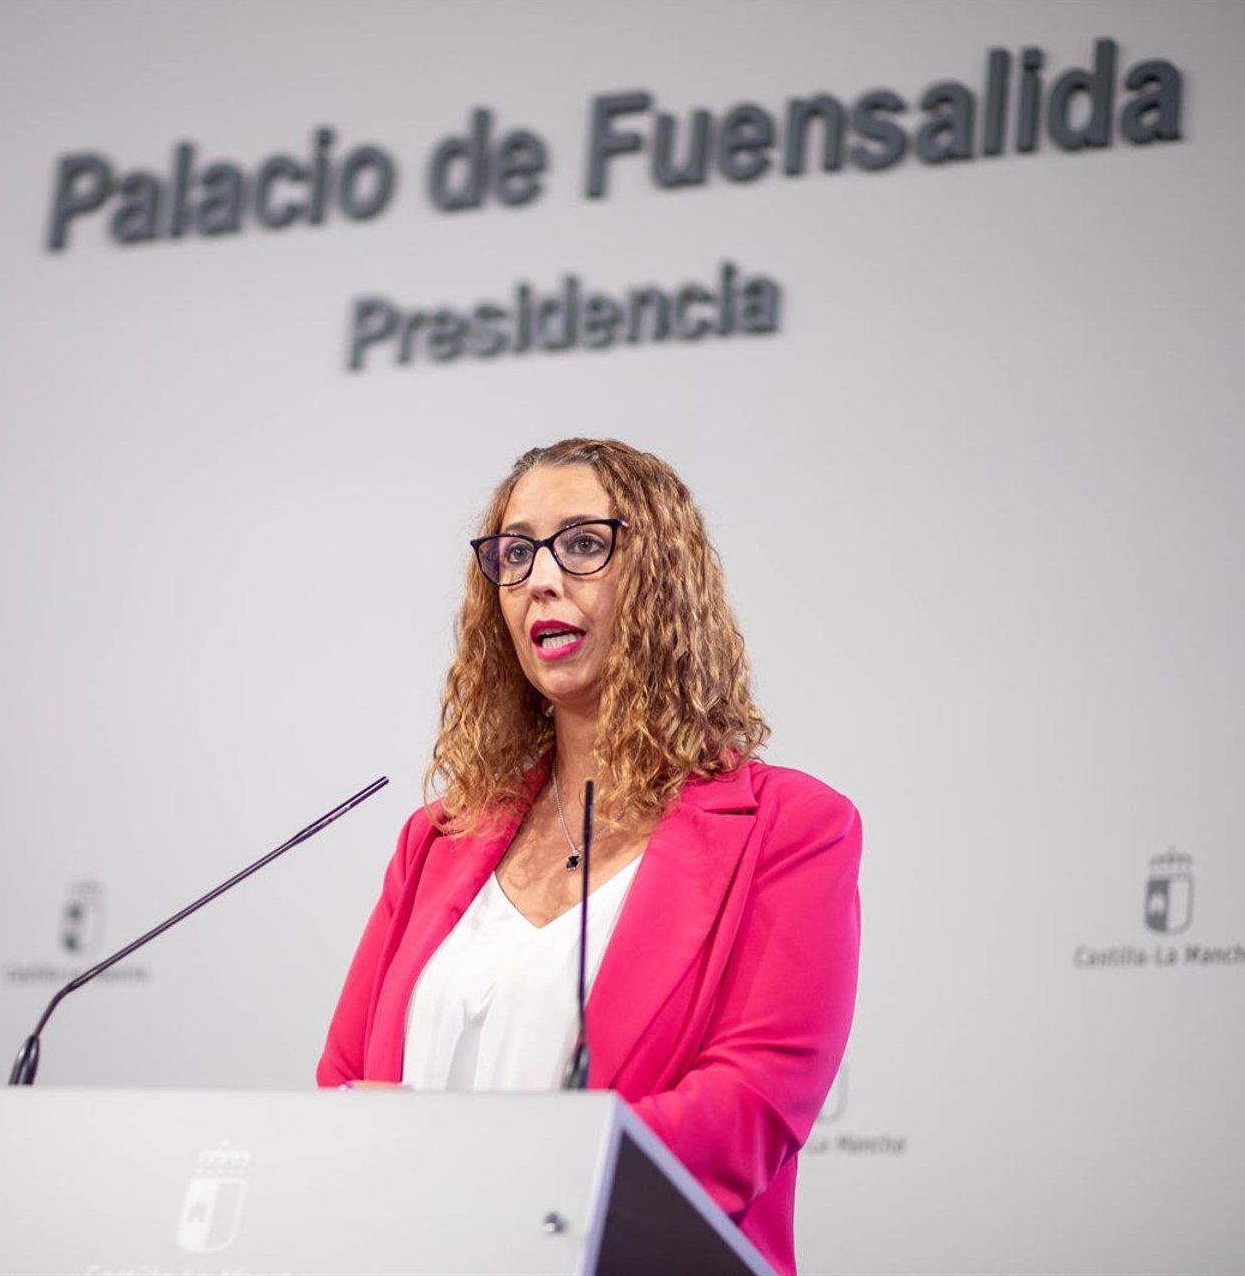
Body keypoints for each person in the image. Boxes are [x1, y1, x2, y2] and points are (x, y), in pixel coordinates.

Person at [318, 439, 859, 1276]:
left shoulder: (791, 830)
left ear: (660, 578)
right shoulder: (437, 839)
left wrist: (460, 1160)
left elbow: (738, 1122)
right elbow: (343, 1096)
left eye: (581, 544)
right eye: (516, 553)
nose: (540, 578)